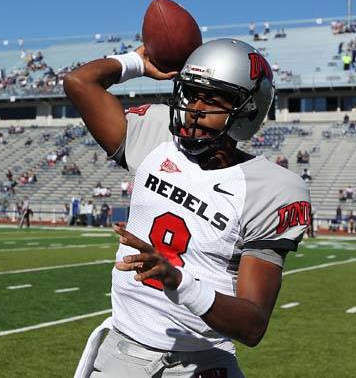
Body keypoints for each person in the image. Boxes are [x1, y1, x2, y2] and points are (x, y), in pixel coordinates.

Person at [65, 38, 311, 377]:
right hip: (124, 353)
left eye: (210, 99)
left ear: (248, 109)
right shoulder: (156, 135)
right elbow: (79, 82)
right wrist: (137, 62)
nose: (194, 108)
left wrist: (178, 281)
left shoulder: (272, 188)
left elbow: (253, 325)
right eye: (191, 93)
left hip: (203, 362)